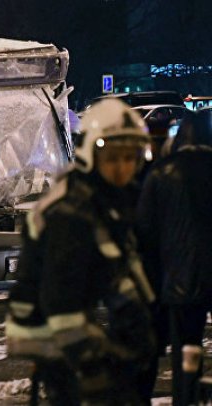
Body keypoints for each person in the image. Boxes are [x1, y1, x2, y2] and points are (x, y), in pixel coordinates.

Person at [6, 98, 156, 405]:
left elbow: (115, 263)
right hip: (53, 336)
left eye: (130, 158)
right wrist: (91, 363)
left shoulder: (104, 197)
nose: (122, 168)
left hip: (70, 325)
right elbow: (60, 303)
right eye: (113, 158)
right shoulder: (72, 213)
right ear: (90, 155)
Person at [137, 109, 212, 406]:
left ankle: (185, 395)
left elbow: (146, 233)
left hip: (180, 280)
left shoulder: (161, 173)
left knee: (186, 343)